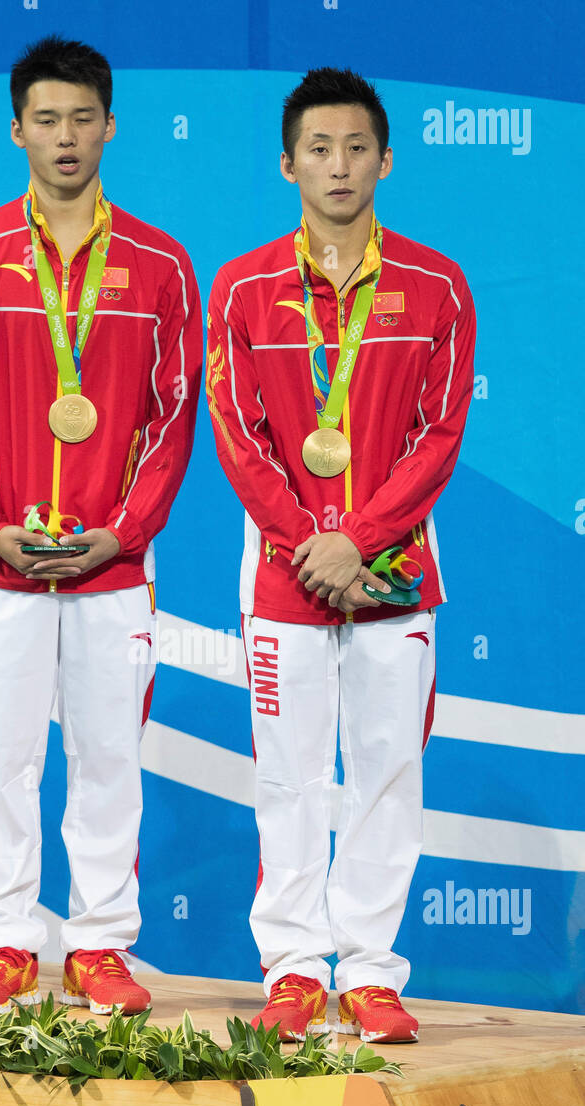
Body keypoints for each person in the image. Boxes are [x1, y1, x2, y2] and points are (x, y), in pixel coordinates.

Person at [0, 35, 202, 1013]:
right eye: (47, 119)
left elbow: (173, 414)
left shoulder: (161, 264)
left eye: (83, 118)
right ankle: (1, 937)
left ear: (111, 126)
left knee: (109, 755)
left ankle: (96, 944)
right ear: (16, 131)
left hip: (112, 566)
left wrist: (123, 531)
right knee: (0, 757)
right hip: (0, 565)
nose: (67, 137)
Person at [206, 67, 475, 1044]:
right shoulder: (240, 288)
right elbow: (238, 437)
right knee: (286, 773)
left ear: (386, 160)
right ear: (287, 165)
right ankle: (291, 967)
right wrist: (307, 544)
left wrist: (353, 540)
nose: (339, 166)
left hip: (394, 578)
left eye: (356, 148)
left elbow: (439, 437)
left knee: (386, 770)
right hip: (284, 579)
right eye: (318, 149)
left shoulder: (438, 284)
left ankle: (367, 970)